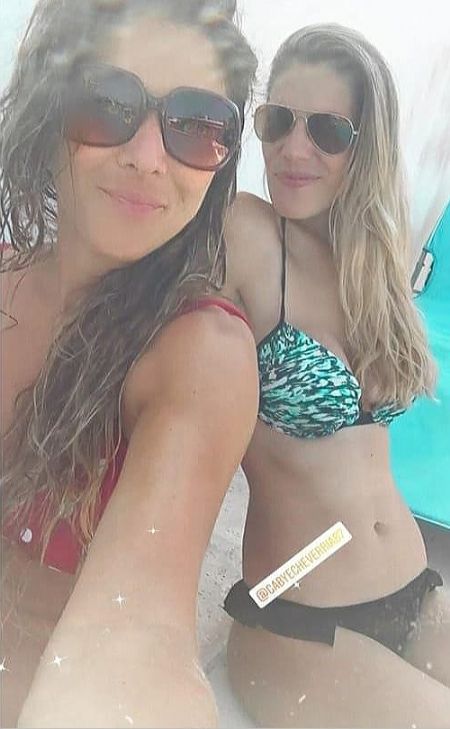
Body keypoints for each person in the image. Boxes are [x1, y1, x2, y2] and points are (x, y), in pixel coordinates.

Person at [0, 0, 258, 726]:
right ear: (49, 107)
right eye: (108, 104)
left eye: (197, 125)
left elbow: (137, 635)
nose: (148, 156)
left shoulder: (199, 351)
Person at [221, 23, 450, 728]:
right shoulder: (243, 233)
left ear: (365, 147)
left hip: (413, 585)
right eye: (278, 122)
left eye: (327, 130)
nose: (295, 149)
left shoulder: (370, 263)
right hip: (296, 611)